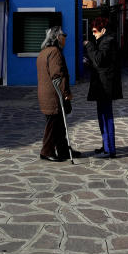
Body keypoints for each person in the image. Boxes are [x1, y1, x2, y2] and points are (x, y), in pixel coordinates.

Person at [83, 16, 122, 158]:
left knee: (107, 116)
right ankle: (106, 145)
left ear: (103, 30)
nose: (93, 34)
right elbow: (100, 61)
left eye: (95, 31)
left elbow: (99, 59)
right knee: (102, 116)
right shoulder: (103, 41)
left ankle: (111, 149)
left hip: (106, 87)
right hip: (102, 86)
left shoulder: (108, 41)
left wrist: (89, 45)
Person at [36, 25, 75, 162]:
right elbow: (57, 76)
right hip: (53, 95)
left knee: (58, 124)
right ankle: (46, 151)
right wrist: (66, 92)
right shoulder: (54, 52)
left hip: (47, 93)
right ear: (57, 38)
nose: (65, 39)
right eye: (63, 36)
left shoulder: (44, 52)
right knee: (53, 125)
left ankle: (63, 150)